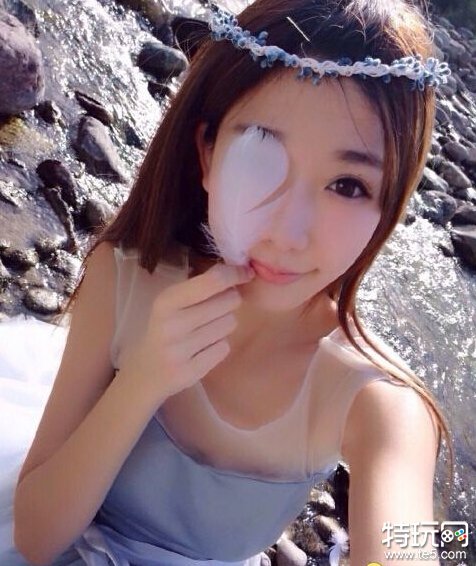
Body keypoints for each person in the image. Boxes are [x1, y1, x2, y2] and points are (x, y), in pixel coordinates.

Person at [5, 0, 455, 564]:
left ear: (390, 204)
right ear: (208, 152)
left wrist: (453, 543)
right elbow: (36, 538)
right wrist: (141, 381)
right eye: (263, 151)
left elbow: (413, 545)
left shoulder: (377, 402)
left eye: (347, 185)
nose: (288, 233)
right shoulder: (125, 278)